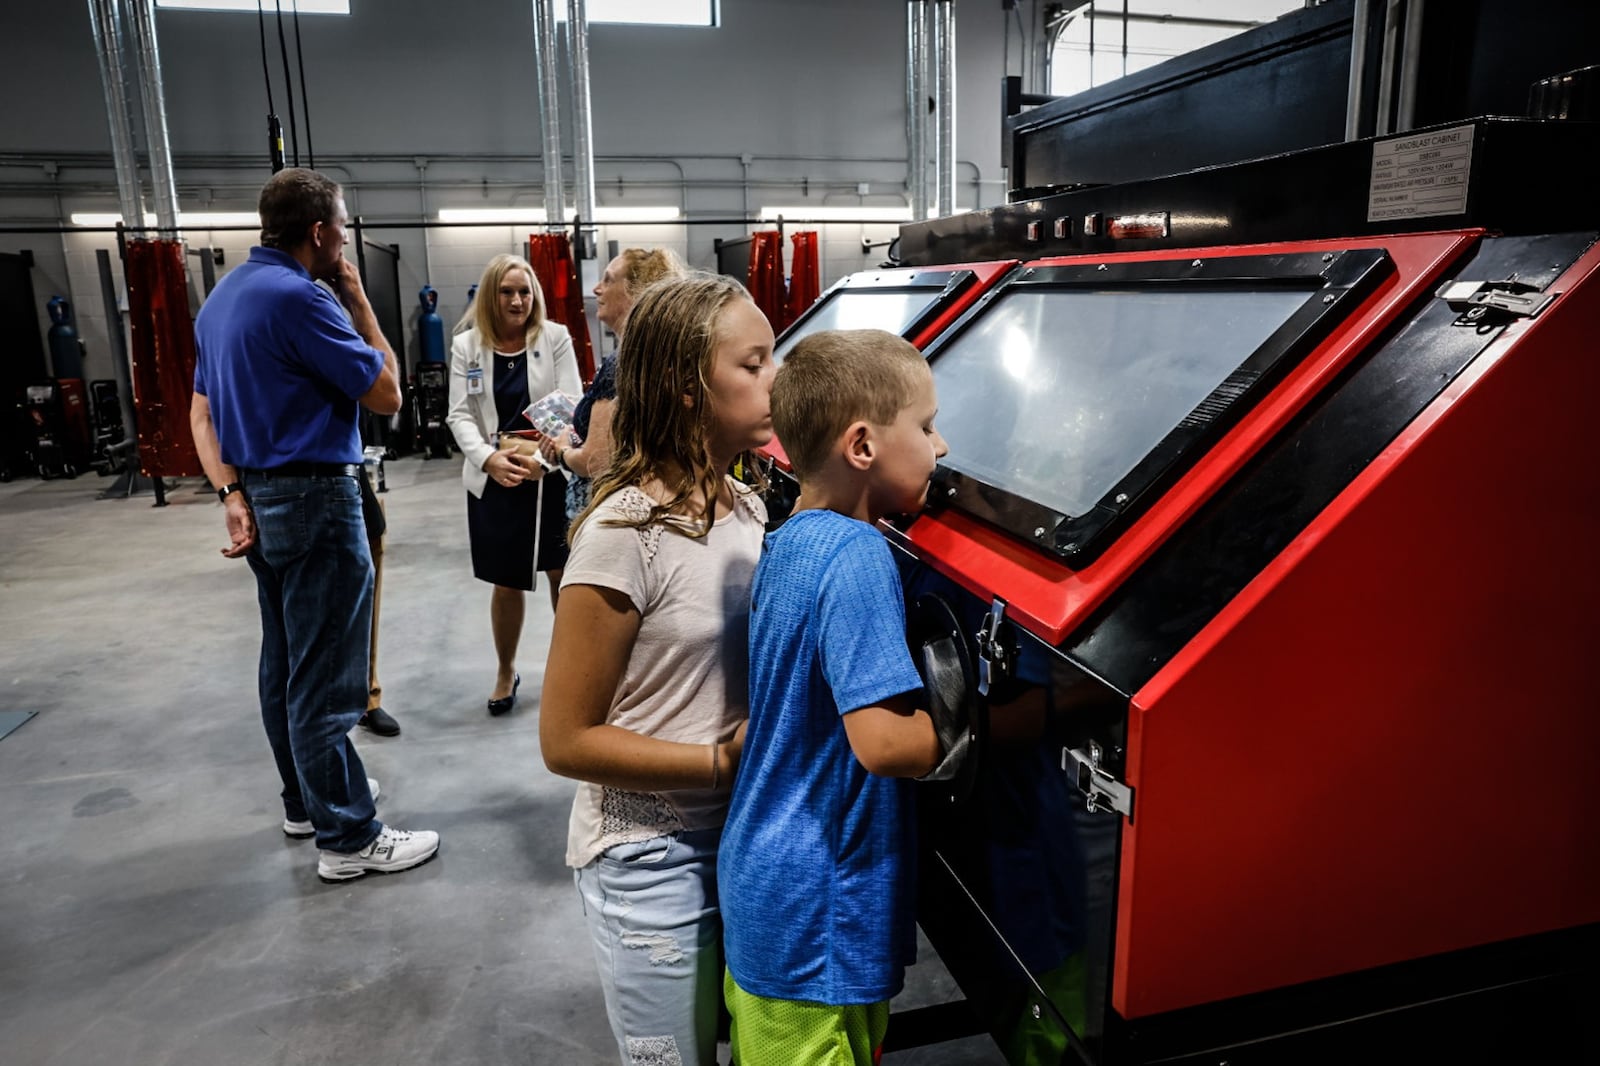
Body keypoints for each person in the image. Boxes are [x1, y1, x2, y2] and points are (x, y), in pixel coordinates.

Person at [539, 273, 775, 1066]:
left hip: (742, 838)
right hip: (651, 859)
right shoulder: (622, 534)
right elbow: (566, 740)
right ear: (684, 387)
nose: (775, 379)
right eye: (753, 365)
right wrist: (717, 762)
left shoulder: (749, 511)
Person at [718, 329, 965, 1064]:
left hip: (776, 887)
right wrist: (970, 716)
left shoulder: (792, 536)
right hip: (812, 912)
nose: (941, 445)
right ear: (863, 447)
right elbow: (885, 745)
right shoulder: (859, 556)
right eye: (923, 426)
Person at [189, 167, 438, 882]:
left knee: (285, 661)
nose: (345, 238)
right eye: (342, 223)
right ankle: (350, 836)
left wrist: (230, 491)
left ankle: (307, 799)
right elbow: (387, 392)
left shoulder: (223, 300)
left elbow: (200, 413)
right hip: (317, 500)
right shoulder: (303, 300)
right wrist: (358, 302)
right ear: (321, 232)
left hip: (264, 500)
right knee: (327, 676)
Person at [446, 253, 581, 716]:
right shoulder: (467, 346)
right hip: (496, 474)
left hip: (550, 474)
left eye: (524, 291)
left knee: (563, 575)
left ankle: (574, 671)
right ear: (491, 296)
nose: (518, 300)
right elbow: (460, 413)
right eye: (507, 292)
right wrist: (488, 460)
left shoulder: (555, 338)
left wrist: (548, 457)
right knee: (506, 583)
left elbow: (570, 402)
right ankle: (506, 670)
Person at [540, 247, 685, 521]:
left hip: (607, 513)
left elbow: (596, 461)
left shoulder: (622, 363)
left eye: (608, 279)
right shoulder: (661, 355)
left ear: (634, 291)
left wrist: (562, 450)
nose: (596, 289)